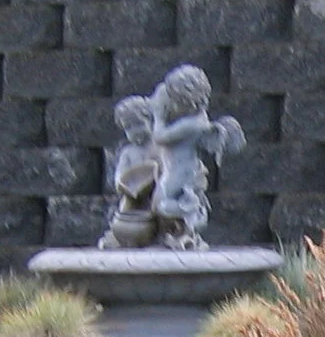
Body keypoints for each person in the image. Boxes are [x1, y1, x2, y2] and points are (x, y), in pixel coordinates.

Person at [144, 64, 246, 249]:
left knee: (161, 206)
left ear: (188, 104)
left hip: (182, 175)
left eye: (174, 101)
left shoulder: (194, 124)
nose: (170, 104)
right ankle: (174, 234)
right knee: (157, 205)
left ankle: (190, 216)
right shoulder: (190, 115)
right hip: (172, 171)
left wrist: (158, 115)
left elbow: (160, 137)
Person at [102, 95, 160, 249]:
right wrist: (122, 185)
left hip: (157, 193)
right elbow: (120, 176)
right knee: (124, 207)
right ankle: (120, 236)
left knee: (163, 206)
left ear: (151, 120)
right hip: (134, 194)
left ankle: (166, 234)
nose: (135, 131)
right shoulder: (128, 153)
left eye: (139, 124)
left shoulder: (160, 148)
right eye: (128, 128)